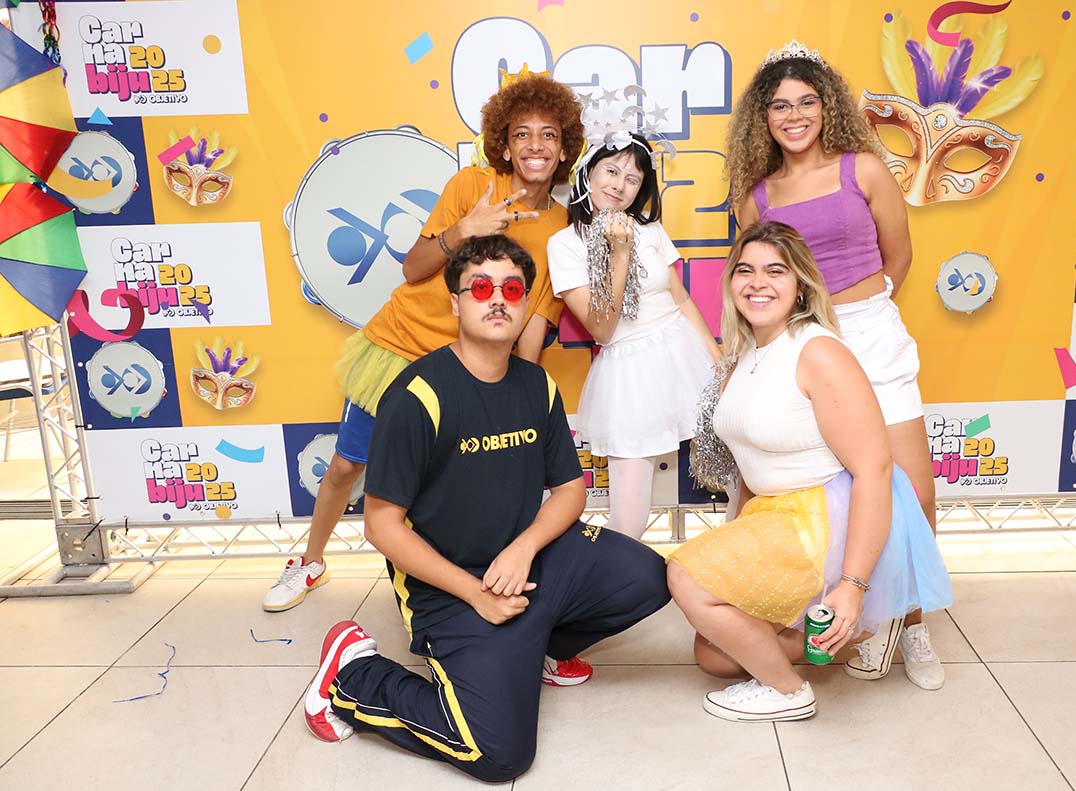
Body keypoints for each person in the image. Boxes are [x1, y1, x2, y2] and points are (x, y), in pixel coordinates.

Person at [263, 73, 592, 682]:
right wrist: (466, 230)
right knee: (347, 467)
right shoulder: (471, 186)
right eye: (522, 133)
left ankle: (511, 616)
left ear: (565, 146)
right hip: (399, 350)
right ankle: (309, 561)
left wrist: (516, 395)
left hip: (473, 375)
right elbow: (414, 268)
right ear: (504, 143)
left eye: (549, 134)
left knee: (471, 498)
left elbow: (534, 322)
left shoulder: (563, 229)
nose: (535, 145)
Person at [303, 235, 670, 780]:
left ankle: (538, 647)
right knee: (499, 756)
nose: (497, 298)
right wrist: (475, 592)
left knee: (649, 576)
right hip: (450, 586)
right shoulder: (417, 395)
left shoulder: (536, 385)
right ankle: (352, 675)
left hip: (524, 562)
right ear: (456, 303)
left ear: (523, 305)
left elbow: (570, 491)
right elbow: (380, 525)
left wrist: (524, 549)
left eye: (511, 289)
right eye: (480, 288)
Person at [667, 222, 951, 722]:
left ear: (800, 285)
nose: (758, 282)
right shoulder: (744, 355)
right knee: (713, 655)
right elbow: (749, 469)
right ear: (731, 282)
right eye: (746, 270)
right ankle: (859, 635)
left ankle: (788, 692)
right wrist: (738, 536)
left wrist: (853, 585)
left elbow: (874, 469)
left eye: (775, 271)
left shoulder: (818, 351)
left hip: (821, 515)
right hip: (772, 513)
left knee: (685, 576)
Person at [726, 41, 945, 689]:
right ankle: (864, 622)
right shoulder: (757, 195)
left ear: (827, 108)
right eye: (779, 105)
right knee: (842, 493)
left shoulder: (864, 169)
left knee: (914, 492)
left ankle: (914, 627)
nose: (794, 115)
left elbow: (898, 257)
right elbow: (760, 281)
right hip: (805, 345)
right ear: (763, 118)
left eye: (806, 102)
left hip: (872, 333)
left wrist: (861, 313)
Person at [547, 132, 720, 538]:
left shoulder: (651, 229)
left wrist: (716, 361)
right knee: (629, 518)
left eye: (632, 178)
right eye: (611, 171)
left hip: (684, 356)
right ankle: (612, 577)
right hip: (628, 374)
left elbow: (681, 298)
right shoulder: (565, 244)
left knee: (736, 473)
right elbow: (602, 329)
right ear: (588, 173)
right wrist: (621, 253)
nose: (618, 185)